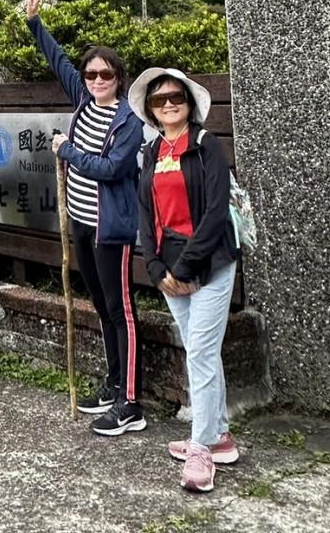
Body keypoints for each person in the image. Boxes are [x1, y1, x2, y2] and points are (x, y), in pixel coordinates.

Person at [25, 0, 146, 436]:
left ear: (118, 79)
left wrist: (66, 149)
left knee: (121, 309)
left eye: (105, 74)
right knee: (99, 303)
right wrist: (36, 24)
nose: (96, 79)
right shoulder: (82, 102)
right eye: (91, 73)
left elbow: (112, 170)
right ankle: (114, 383)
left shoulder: (129, 120)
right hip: (79, 221)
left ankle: (132, 402)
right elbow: (58, 62)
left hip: (109, 228)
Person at [132, 67, 240, 493]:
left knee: (200, 353)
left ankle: (200, 446)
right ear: (152, 110)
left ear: (190, 104)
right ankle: (220, 436)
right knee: (200, 350)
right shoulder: (152, 151)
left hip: (210, 261)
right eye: (160, 100)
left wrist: (186, 267)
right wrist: (157, 269)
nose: (169, 103)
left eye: (176, 96)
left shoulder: (205, 145)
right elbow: (145, 213)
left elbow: (215, 211)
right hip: (171, 265)